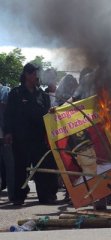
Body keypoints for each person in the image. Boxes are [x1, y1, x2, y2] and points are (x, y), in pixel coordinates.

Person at [4, 63, 58, 205]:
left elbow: (47, 114)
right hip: (21, 138)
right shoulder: (15, 93)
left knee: (43, 167)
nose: (37, 77)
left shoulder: (43, 95)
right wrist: (8, 132)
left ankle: (46, 196)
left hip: (39, 137)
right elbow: (8, 115)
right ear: (27, 75)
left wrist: (51, 114)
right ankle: (18, 197)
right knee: (20, 167)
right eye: (35, 73)